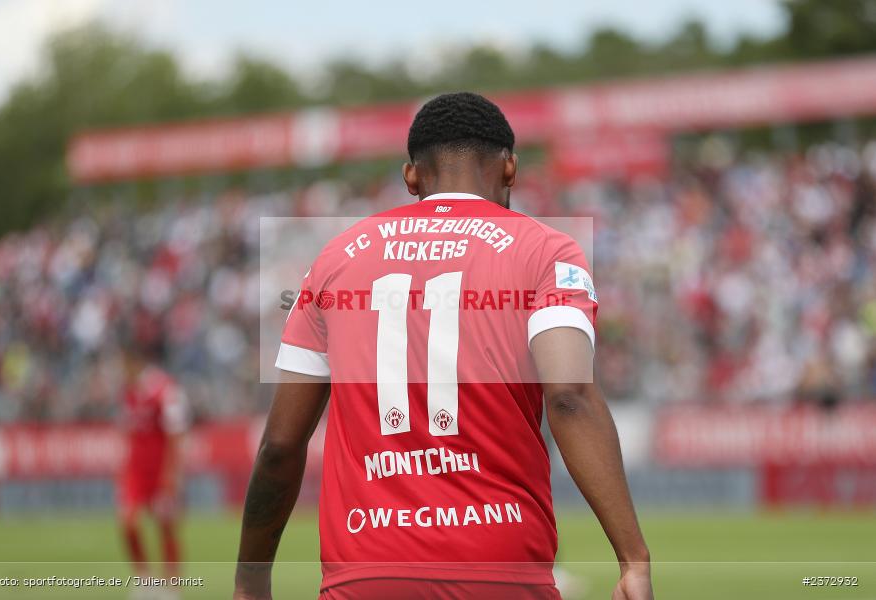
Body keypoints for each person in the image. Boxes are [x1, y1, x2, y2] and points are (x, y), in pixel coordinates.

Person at [234, 92, 652, 600]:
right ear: (511, 168)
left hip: (366, 573)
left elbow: (280, 446)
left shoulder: (336, 258)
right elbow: (568, 394)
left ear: (411, 177)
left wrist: (251, 580)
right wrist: (632, 558)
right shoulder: (547, 250)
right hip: (500, 568)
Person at [118, 342, 189, 597]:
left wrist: (172, 474)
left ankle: (172, 584)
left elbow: (176, 433)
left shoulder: (164, 389)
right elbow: (129, 432)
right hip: (136, 471)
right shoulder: (129, 391)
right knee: (127, 522)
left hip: (160, 470)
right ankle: (144, 579)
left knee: (165, 524)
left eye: (124, 364)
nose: (121, 370)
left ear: (136, 362)